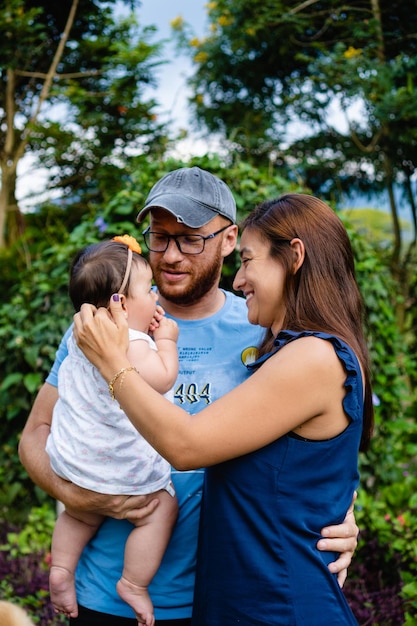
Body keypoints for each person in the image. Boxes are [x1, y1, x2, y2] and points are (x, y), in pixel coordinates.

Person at [19, 167, 359, 626]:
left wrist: (340, 515)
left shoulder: (263, 327)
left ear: (229, 240)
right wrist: (81, 497)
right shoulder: (101, 325)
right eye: (160, 238)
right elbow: (36, 434)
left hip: (215, 598)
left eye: (190, 239)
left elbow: (309, 439)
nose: (172, 255)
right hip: (104, 597)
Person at [46, 235, 179, 625]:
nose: (155, 294)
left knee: (78, 515)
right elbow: (164, 377)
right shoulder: (133, 343)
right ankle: (134, 583)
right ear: (120, 304)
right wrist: (165, 341)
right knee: (161, 510)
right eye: (148, 289)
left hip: (76, 465)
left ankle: (61, 570)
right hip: (123, 471)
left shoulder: (79, 339)